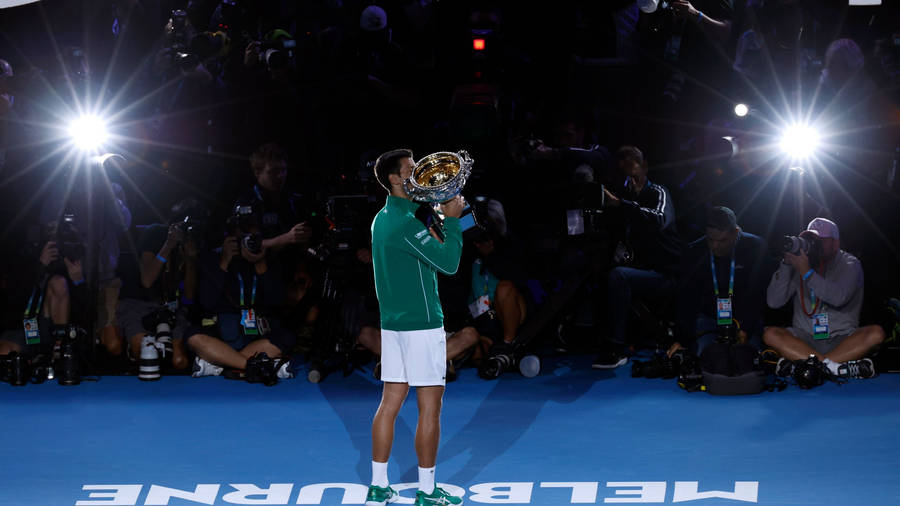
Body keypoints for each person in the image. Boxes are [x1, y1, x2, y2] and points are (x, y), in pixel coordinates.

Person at [365, 149, 464, 506]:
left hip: (392, 326)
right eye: (409, 169)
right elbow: (450, 263)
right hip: (421, 327)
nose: (417, 173)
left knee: (389, 402)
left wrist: (437, 216)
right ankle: (426, 491)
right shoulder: (407, 223)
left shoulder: (383, 218)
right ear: (394, 178)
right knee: (429, 408)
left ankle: (379, 486)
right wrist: (452, 221)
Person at [593, 145, 682, 369]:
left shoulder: (658, 192)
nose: (629, 173)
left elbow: (660, 220)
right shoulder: (620, 197)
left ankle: (616, 347)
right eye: (623, 168)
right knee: (597, 271)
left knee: (619, 276)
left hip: (665, 272)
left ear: (644, 167)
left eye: (632, 164)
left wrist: (621, 204)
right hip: (638, 269)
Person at [764, 218, 885, 380]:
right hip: (804, 340)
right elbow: (774, 302)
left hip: (842, 339)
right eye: (809, 240)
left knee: (875, 333)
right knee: (770, 334)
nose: (814, 245)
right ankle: (837, 369)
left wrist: (807, 273)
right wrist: (786, 265)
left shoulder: (850, 263)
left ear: (836, 243)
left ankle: (806, 367)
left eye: (820, 241)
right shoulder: (800, 263)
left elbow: (838, 298)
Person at [185, 205, 296, 379]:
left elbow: (277, 300)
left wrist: (260, 264)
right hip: (221, 331)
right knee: (193, 336)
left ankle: (222, 363)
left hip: (258, 333)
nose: (248, 241)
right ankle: (254, 365)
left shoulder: (268, 258)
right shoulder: (214, 257)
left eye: (253, 237)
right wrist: (224, 262)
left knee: (287, 337)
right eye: (243, 236)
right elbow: (206, 301)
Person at [668, 206, 772, 357]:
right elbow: (686, 298)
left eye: (722, 241)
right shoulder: (695, 250)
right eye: (710, 240)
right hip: (710, 320)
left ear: (736, 233)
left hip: (744, 319)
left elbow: (758, 293)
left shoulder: (755, 248)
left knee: (748, 359)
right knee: (707, 358)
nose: (714, 246)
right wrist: (681, 339)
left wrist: (746, 328)